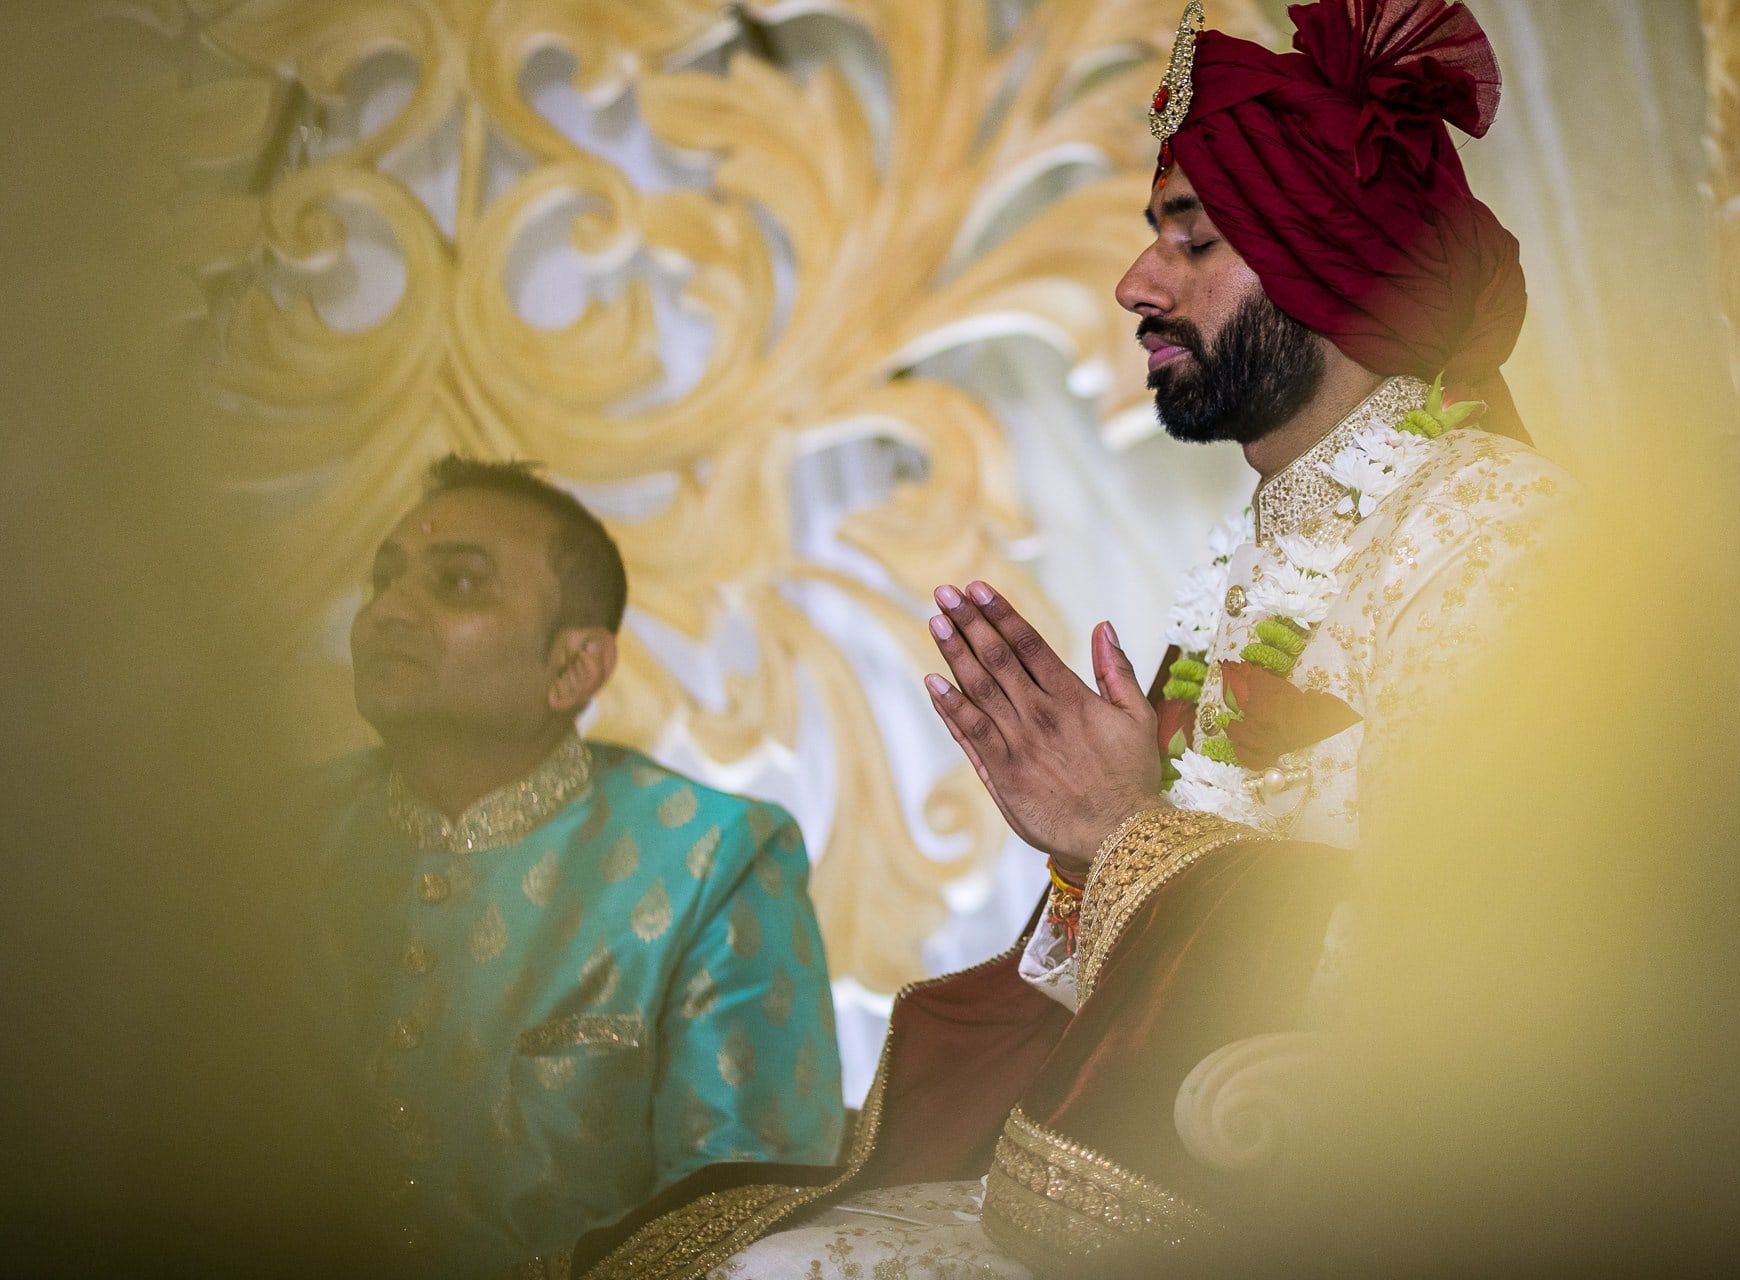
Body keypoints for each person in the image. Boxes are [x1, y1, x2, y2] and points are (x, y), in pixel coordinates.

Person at [554, 2, 1571, 1276]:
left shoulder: (1501, 535)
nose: (1137, 284)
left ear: (1332, 260)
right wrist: (1093, 865)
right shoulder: (1256, 550)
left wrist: (1124, 833)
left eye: (1191, 237)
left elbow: (1491, 962)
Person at [305, 456, 843, 1275]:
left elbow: (743, 1223)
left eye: (455, 586)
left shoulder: (713, 858)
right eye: (384, 581)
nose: (388, 613)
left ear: (574, 668)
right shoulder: (273, 837)